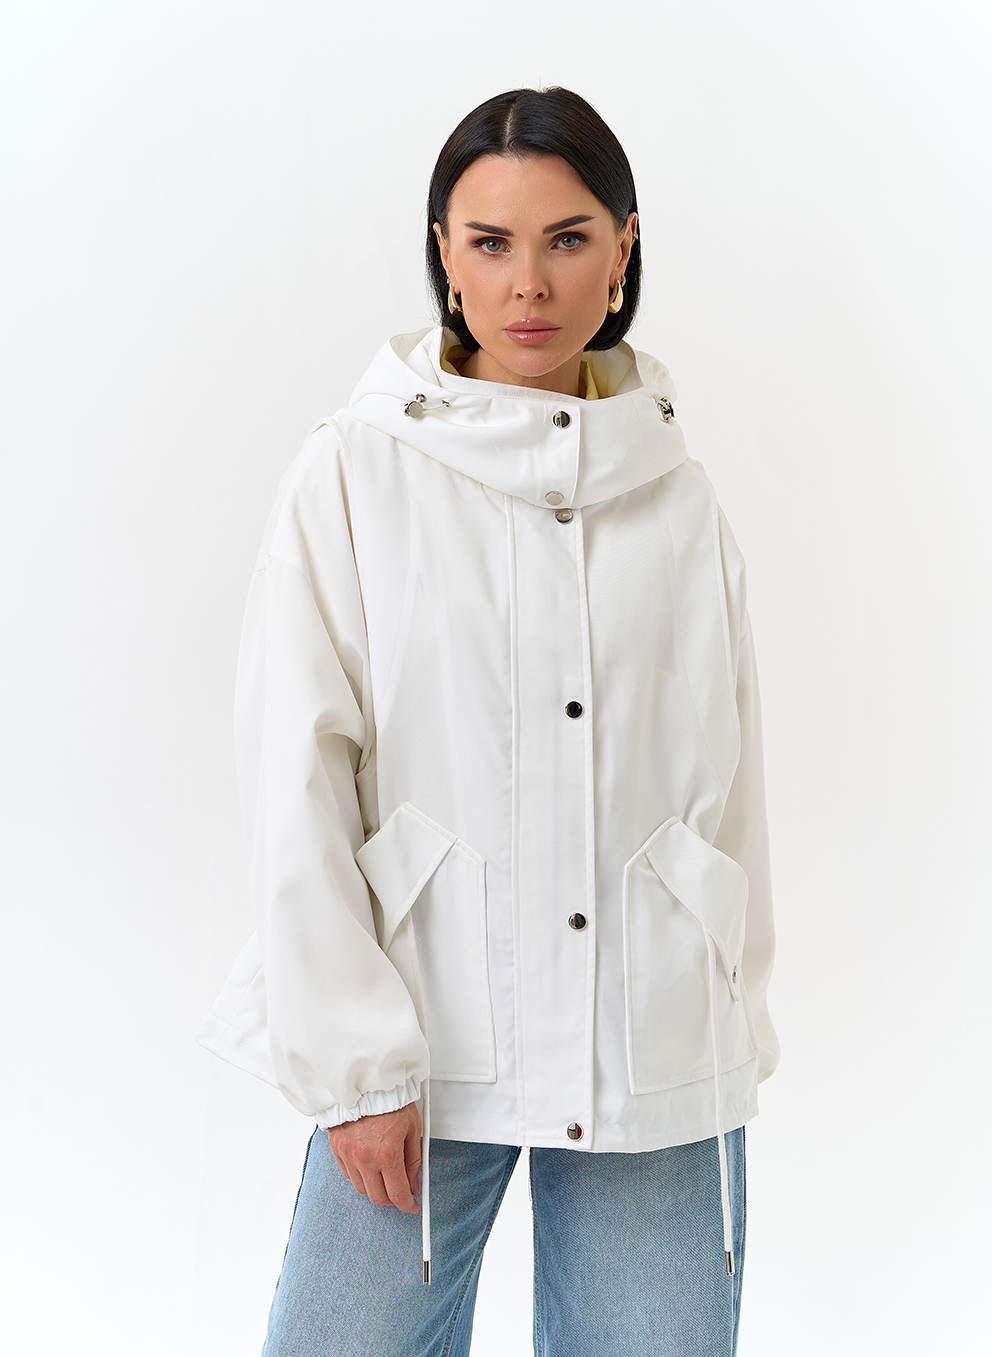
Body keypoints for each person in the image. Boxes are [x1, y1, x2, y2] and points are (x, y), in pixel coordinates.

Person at [197, 86, 779, 1357]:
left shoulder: (677, 496)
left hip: (649, 1039)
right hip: (422, 1025)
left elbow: (725, 786)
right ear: (444, 256)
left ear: (623, 248)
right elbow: (296, 773)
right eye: (490, 242)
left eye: (567, 238)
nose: (529, 283)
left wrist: (722, 1004)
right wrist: (355, 1061)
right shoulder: (354, 472)